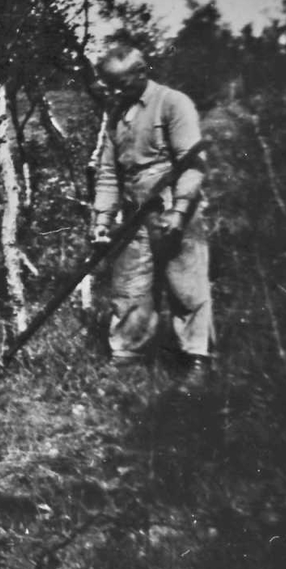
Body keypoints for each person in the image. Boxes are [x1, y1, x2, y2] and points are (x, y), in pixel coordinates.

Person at [91, 45, 214, 390]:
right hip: (134, 214)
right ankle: (127, 358)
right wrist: (102, 219)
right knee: (130, 285)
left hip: (173, 207)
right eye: (108, 85)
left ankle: (195, 359)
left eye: (121, 83)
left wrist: (180, 210)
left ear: (142, 72)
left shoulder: (174, 103)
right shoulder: (117, 114)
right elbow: (108, 172)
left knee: (185, 286)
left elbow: (192, 164)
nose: (114, 92)